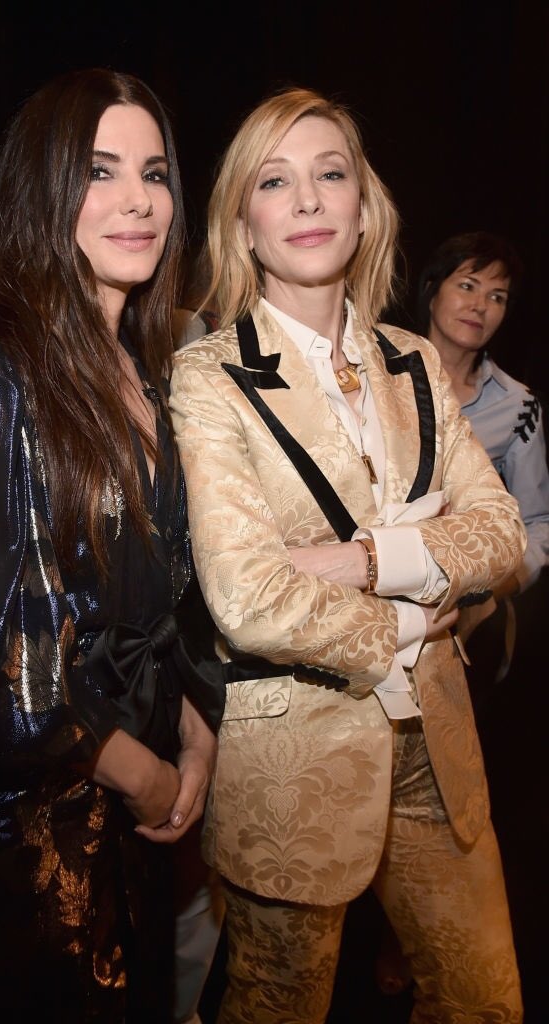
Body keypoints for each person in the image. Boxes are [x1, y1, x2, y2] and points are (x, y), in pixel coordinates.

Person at [169, 86, 525, 1023]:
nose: (311, 200)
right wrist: (414, 606)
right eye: (276, 182)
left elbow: (504, 533)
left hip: (439, 749)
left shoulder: (415, 360)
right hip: (293, 752)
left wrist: (363, 559)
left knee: (486, 1005)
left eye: (332, 175)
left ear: (364, 210)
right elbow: (246, 597)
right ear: (243, 223)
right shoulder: (208, 376)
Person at [0, 68, 224, 1022]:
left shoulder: (155, 378)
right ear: (42, 192)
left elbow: (181, 592)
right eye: (99, 171)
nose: (138, 200)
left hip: (145, 821)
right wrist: (150, 775)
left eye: (155, 171)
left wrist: (198, 729)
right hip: (38, 854)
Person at [418, 231, 549, 696]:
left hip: (471, 609)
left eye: (498, 296)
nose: (480, 306)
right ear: (433, 288)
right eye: (468, 285)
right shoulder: (371, 371)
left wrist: (494, 590)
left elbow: (538, 521)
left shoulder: (517, 406)